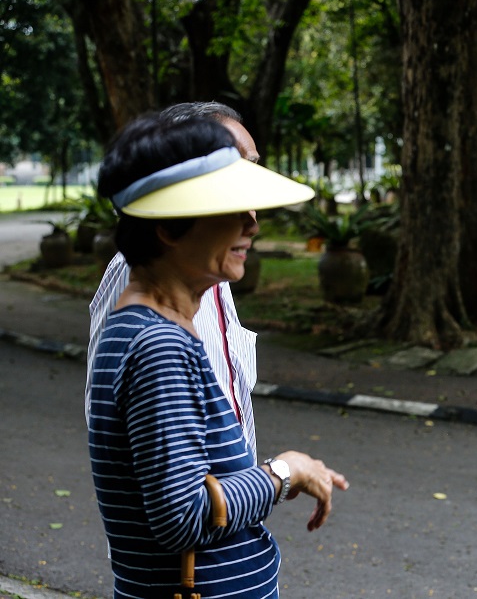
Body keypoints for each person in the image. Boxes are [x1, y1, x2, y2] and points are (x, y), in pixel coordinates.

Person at [88, 114, 349, 598]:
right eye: (230, 206)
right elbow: (181, 517)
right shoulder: (158, 345)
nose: (252, 221)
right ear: (168, 226)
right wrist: (283, 470)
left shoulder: (147, 329)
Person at [86, 102, 261, 460]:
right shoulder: (141, 291)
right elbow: (176, 504)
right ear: (169, 224)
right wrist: (279, 476)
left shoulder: (212, 274)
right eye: (226, 186)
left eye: (250, 171)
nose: (252, 221)